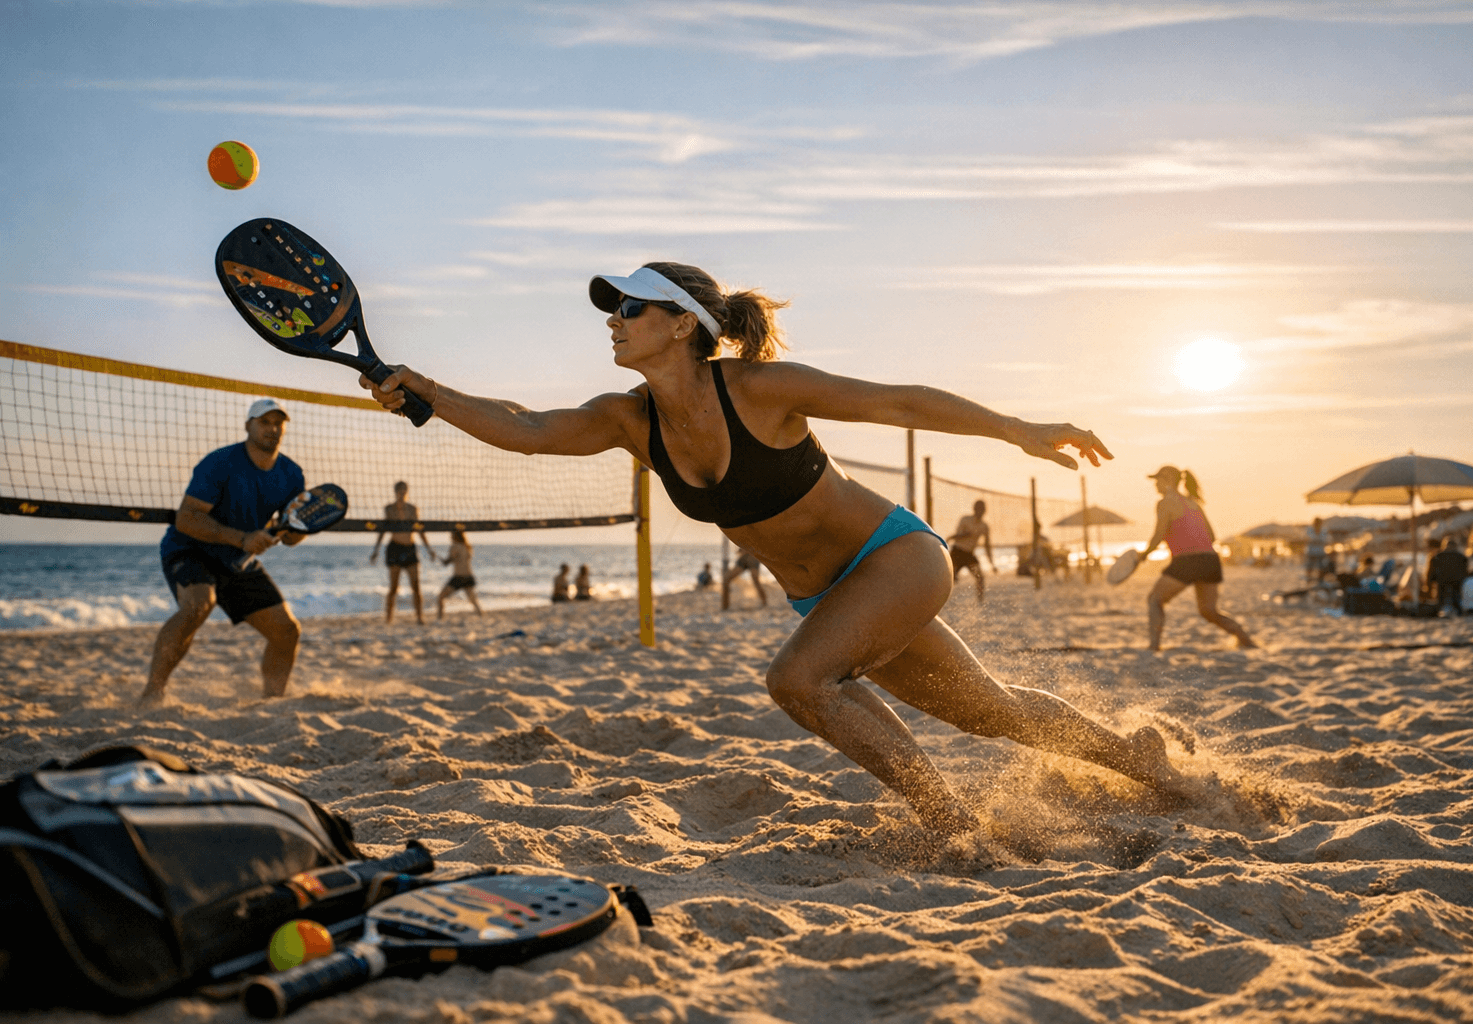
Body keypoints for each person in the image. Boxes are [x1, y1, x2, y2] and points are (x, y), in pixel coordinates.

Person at [361, 260, 1186, 839]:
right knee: (991, 710)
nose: (613, 322)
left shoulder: (758, 389)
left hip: (897, 558)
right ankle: (1145, 766)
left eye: (630, 309)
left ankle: (952, 824)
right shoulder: (627, 418)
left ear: (683, 324)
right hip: (830, 598)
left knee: (796, 679)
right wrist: (427, 394)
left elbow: (895, 398)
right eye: (612, 309)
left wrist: (1016, 429)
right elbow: (528, 428)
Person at [141, 399, 307, 706]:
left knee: (287, 631)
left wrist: (302, 528)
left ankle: (271, 702)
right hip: (190, 548)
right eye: (264, 422)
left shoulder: (292, 474)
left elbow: (291, 537)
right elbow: (186, 518)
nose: (272, 428)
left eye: (278, 422)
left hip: (237, 560)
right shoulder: (220, 462)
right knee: (198, 605)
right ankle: (153, 692)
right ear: (248, 426)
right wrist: (243, 538)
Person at [1137, 466, 1256, 652]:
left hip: (1187, 561)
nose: (1155, 485)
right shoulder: (1193, 503)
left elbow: (1158, 535)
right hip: (1210, 560)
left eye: (1158, 480)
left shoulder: (1165, 502)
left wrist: (1142, 556)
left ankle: (1154, 646)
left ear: (1167, 480)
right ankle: (1246, 641)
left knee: (1155, 599)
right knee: (1209, 611)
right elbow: (1211, 536)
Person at [369, 481, 437, 625]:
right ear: (395, 492)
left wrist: (429, 549)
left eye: (404, 490)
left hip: (410, 548)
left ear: (407, 491)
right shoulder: (389, 509)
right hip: (394, 548)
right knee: (393, 587)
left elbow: (420, 530)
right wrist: (376, 550)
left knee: (416, 586)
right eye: (399, 490)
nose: (401, 493)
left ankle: (419, 617)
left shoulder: (412, 509)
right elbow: (382, 530)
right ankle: (389, 618)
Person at [947, 499, 995, 601]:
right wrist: (965, 534)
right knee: (948, 579)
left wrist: (991, 563)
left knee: (980, 577)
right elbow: (956, 537)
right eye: (978, 509)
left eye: (982, 509)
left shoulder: (984, 526)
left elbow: (987, 546)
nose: (980, 511)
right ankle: (939, 599)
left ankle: (980, 601)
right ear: (974, 509)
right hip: (957, 552)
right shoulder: (965, 519)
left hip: (969, 554)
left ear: (984, 511)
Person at [436, 529, 483, 620]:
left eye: (451, 535)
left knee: (440, 597)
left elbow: (448, 562)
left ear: (455, 536)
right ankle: (480, 616)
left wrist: (441, 560)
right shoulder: (467, 546)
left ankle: (439, 618)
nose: (450, 537)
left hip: (459, 577)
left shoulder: (454, 546)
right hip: (468, 576)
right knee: (473, 600)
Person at [1425, 535, 1469, 613]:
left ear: (1444, 546)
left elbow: (1430, 575)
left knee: (1440, 598)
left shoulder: (1437, 557)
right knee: (1457, 597)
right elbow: (1465, 573)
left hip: (1442, 583)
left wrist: (1429, 590)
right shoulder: (1462, 557)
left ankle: (1440, 606)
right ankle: (1457, 607)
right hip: (1458, 583)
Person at [1304, 517, 1328, 583]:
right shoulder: (1309, 529)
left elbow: (1324, 540)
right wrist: (1317, 539)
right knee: (1309, 567)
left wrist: (1315, 539)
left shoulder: (1323, 530)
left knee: (1321, 567)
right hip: (1311, 552)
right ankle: (1308, 580)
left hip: (1320, 552)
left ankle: (1320, 580)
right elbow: (1309, 539)